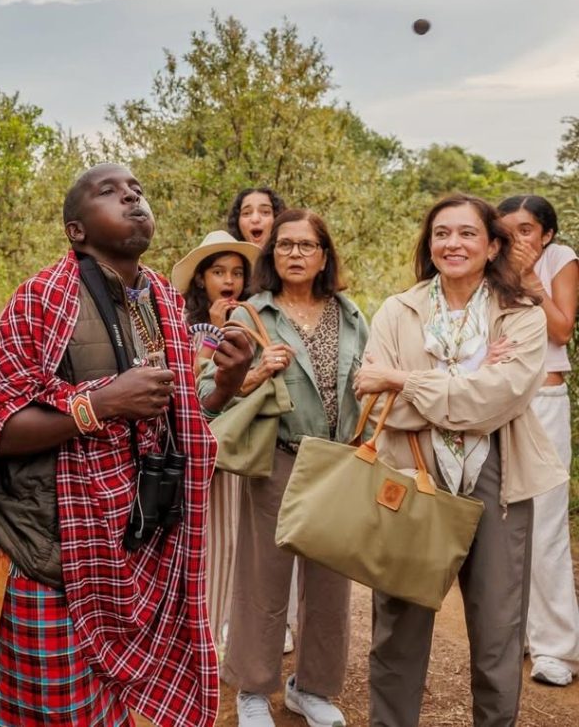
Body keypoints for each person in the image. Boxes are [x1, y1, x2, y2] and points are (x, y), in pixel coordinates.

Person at [0, 163, 254, 727]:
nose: (132, 199)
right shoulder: (41, 299)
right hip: (50, 549)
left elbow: (176, 423)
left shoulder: (162, 300)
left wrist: (230, 383)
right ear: (76, 229)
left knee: (108, 710)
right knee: (51, 711)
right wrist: (101, 404)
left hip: (132, 547)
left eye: (137, 191)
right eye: (110, 192)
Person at [354, 193, 569, 726]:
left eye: (468, 233)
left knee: (497, 629)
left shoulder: (520, 314)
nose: (454, 243)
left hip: (497, 475)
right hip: (410, 471)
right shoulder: (397, 310)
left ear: (493, 245)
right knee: (398, 626)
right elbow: (369, 395)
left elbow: (506, 396)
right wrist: (468, 384)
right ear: (429, 244)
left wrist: (405, 380)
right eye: (442, 233)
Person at [215, 209, 369, 727]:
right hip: (279, 458)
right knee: (264, 579)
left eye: (307, 245)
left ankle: (312, 688)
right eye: (285, 245)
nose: (296, 254)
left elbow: (364, 388)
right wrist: (259, 370)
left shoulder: (349, 315)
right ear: (271, 255)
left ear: (324, 255)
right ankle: (254, 690)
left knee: (330, 583)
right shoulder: (251, 315)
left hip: (339, 461)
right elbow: (217, 396)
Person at [498, 194, 579, 687]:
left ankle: (557, 648)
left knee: (546, 522)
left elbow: (562, 330)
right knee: (504, 522)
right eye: (507, 230)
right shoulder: (487, 262)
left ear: (545, 234)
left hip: (544, 401)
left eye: (526, 230)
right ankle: (517, 635)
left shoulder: (560, 260)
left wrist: (530, 281)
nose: (516, 240)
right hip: (498, 399)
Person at [171, 230, 260, 656]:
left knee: (227, 541)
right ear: (202, 278)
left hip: (232, 448)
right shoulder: (180, 323)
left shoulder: (253, 320)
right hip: (188, 445)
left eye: (237, 272)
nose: (229, 279)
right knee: (188, 539)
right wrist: (215, 337)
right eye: (219, 271)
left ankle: (213, 634)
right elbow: (185, 381)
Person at [226, 185, 299, 654]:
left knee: (288, 528)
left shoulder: (290, 282)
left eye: (266, 210)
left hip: (284, 425)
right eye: (247, 212)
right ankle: (237, 621)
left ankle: (284, 624)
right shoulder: (231, 271)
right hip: (237, 419)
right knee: (240, 531)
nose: (257, 218)